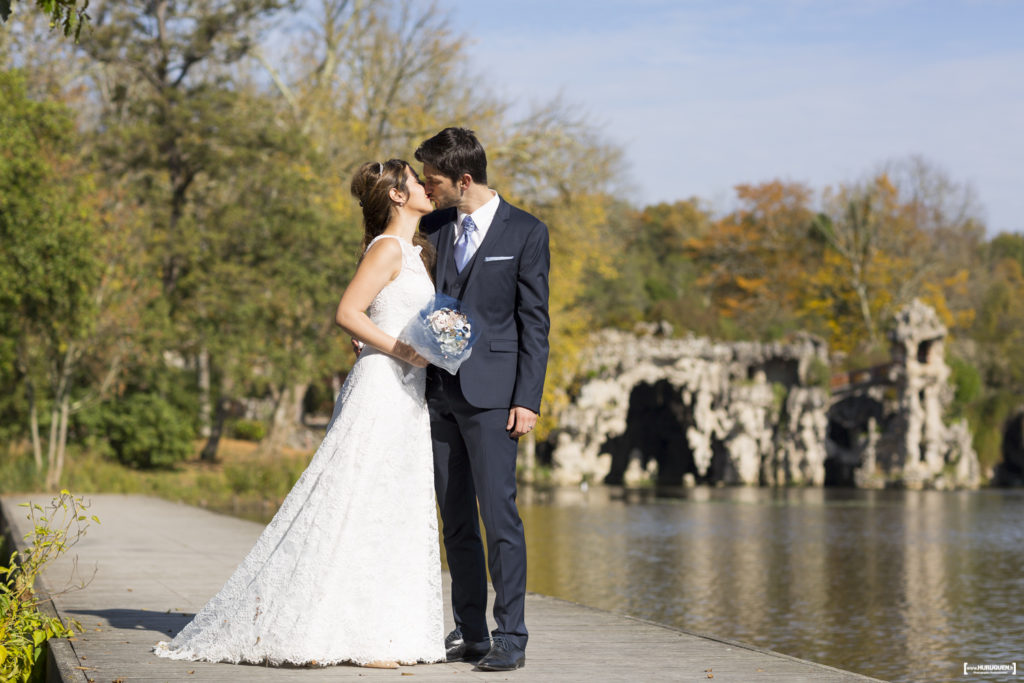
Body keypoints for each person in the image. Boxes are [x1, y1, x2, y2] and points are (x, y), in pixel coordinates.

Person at [154, 160, 444, 669]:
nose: (425, 184)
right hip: (381, 387)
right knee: (352, 499)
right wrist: (399, 348)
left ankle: (378, 633)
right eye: (416, 180)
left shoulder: (418, 252)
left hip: (408, 393)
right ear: (398, 196)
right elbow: (347, 312)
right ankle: (335, 629)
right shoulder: (388, 249)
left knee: (387, 505)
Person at [416, 127, 550, 672]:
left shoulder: (526, 232)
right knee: (455, 520)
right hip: (440, 393)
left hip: (497, 397)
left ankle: (511, 635)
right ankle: (470, 630)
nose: (428, 189)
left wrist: (529, 398)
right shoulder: (436, 226)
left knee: (499, 517)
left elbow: (534, 321)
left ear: (463, 181)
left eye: (435, 180)